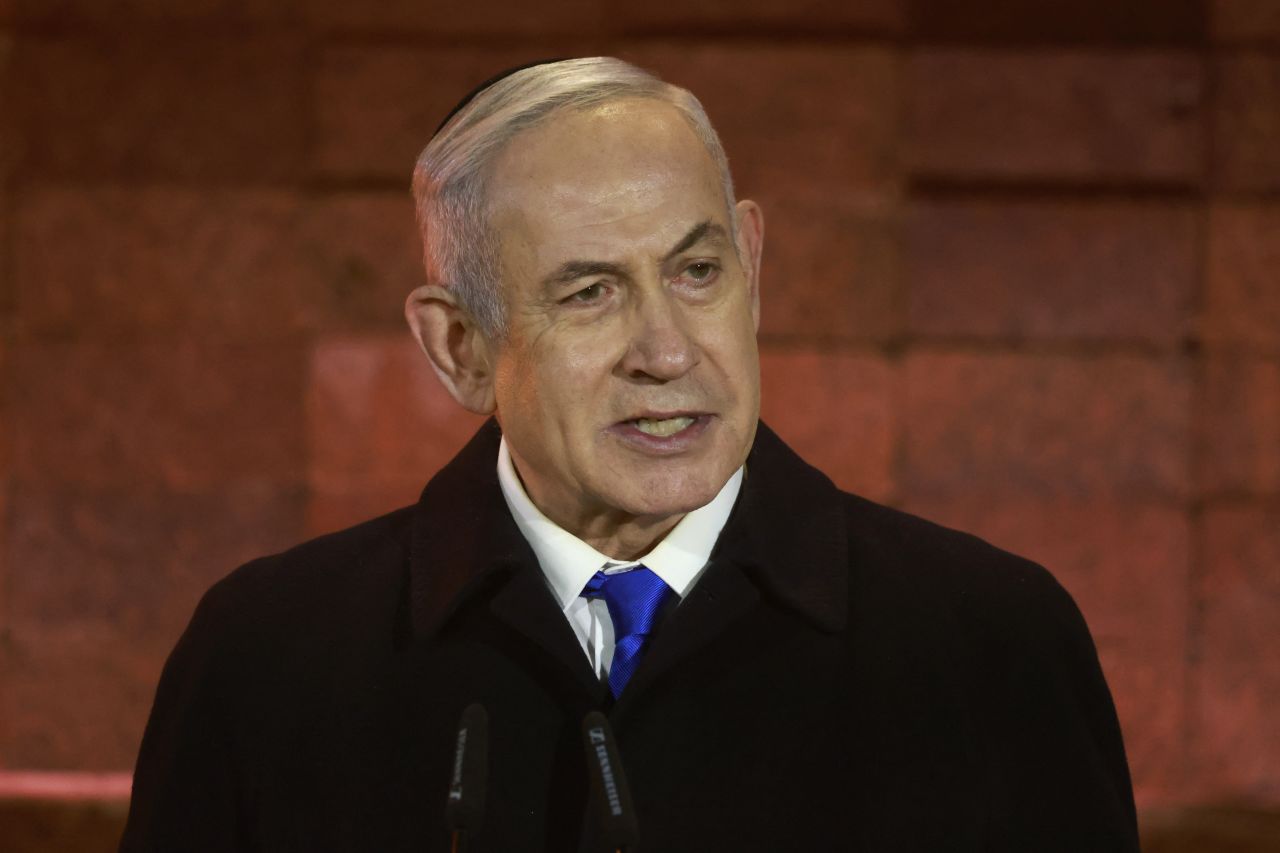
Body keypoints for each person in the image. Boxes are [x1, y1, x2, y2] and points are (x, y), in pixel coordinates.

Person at [120, 57, 1138, 852]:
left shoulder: (993, 642)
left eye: (697, 271)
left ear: (752, 264)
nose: (666, 350)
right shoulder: (264, 657)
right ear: (459, 347)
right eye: (588, 292)